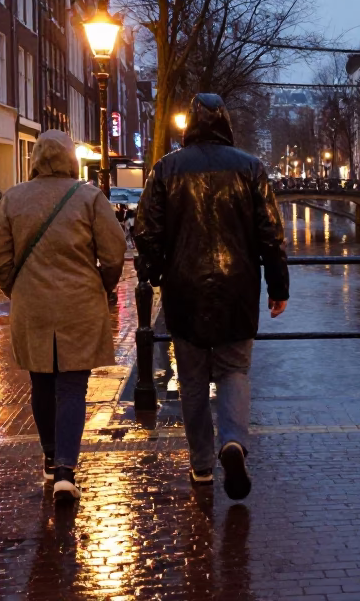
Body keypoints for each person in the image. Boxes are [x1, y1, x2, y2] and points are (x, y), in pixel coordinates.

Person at [135, 93, 289, 501]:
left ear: (190, 126)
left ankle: (201, 464)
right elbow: (271, 233)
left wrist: (151, 273)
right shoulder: (251, 168)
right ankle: (234, 442)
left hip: (184, 287)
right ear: (226, 123)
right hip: (237, 287)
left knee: (192, 381)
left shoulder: (166, 169)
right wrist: (278, 287)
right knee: (234, 370)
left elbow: (145, 230)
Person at [0, 130, 126, 503]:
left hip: (32, 306)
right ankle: (66, 468)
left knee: (41, 383)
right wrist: (104, 286)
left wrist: (17, 290)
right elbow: (114, 252)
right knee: (72, 388)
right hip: (79, 304)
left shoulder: (13, 199)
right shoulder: (89, 198)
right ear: (70, 158)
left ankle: (49, 456)